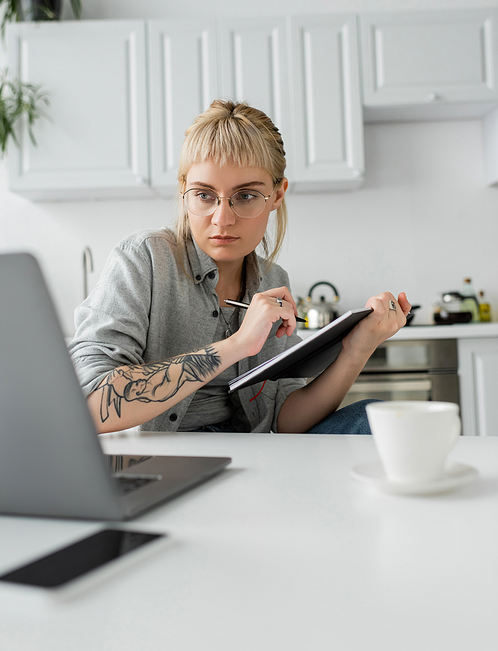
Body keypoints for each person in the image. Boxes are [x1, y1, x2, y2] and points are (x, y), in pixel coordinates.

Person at [69, 100, 410, 435]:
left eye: (245, 196)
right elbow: (93, 403)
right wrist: (238, 345)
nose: (222, 219)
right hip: (166, 458)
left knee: (374, 417)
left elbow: (284, 420)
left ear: (277, 195)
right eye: (204, 195)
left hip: (252, 453)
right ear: (184, 191)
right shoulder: (143, 260)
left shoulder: (273, 281)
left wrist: (358, 349)